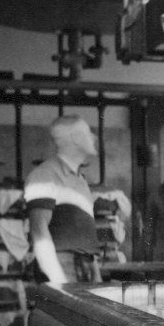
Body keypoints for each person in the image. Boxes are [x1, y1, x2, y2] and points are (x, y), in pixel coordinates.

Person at [24, 114, 102, 283]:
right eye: (88, 133)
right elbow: (39, 232)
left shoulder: (80, 179)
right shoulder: (44, 175)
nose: (93, 138)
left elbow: (84, 234)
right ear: (74, 138)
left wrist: (95, 273)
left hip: (85, 265)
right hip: (63, 267)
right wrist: (59, 282)